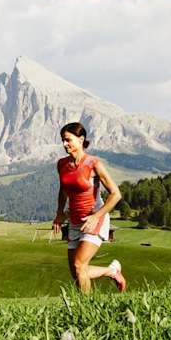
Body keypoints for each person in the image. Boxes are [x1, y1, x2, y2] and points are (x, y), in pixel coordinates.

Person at [52, 122, 127, 293]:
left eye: (68, 140)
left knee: (80, 265)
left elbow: (116, 194)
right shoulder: (61, 165)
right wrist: (59, 214)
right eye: (63, 140)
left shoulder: (93, 164)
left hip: (94, 219)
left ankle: (86, 309)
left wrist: (96, 216)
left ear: (81, 139)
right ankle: (111, 271)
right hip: (75, 221)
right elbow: (64, 190)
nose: (64, 144)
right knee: (76, 272)